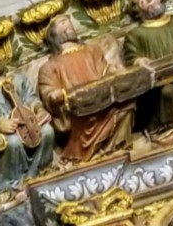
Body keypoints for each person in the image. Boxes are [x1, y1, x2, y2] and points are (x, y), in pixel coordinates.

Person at [38, 14, 133, 163]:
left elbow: (104, 70)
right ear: (53, 34)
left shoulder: (92, 50)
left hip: (103, 102)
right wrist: (54, 95)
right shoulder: (49, 67)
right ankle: (94, 154)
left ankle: (113, 150)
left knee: (127, 106)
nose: (69, 24)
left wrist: (114, 70)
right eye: (63, 23)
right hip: (79, 112)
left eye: (69, 21)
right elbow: (47, 90)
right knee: (88, 118)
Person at [0, 51, 55, 193]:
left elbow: (30, 98)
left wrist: (39, 110)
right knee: (13, 143)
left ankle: (43, 171)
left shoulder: (18, 79)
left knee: (47, 131)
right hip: (6, 133)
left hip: (28, 125)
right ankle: (15, 183)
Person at [124, 0, 173, 131]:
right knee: (168, 92)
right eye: (142, 2)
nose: (149, 1)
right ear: (138, 10)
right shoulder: (136, 34)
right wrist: (138, 61)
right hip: (160, 83)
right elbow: (131, 58)